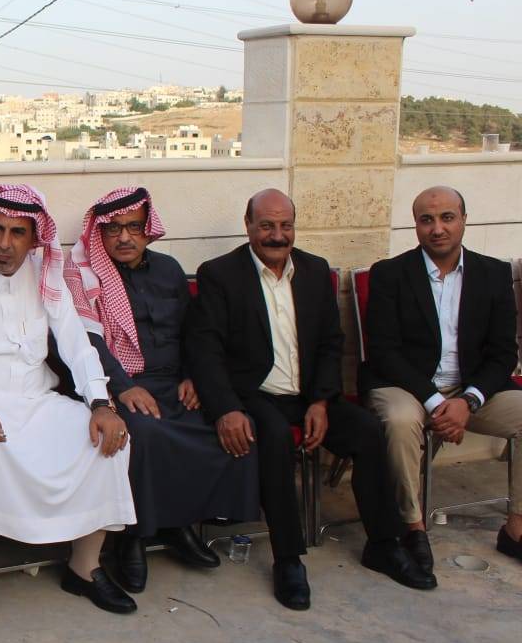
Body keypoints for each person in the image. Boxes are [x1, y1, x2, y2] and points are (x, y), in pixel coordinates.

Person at [185, 188, 437, 610]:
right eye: (267, 225)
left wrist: (321, 401)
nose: (277, 235)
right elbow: (205, 349)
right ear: (248, 226)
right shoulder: (220, 274)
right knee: (274, 437)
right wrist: (226, 408)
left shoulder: (315, 271)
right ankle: (288, 559)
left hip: (307, 395)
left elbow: (330, 344)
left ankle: (383, 543)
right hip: (254, 394)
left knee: (367, 431)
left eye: (286, 225)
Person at [0, 183, 137, 616]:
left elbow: (77, 343)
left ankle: (84, 566)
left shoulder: (45, 275)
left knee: (110, 439)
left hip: (37, 399)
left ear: (34, 238)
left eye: (17, 233)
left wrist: (100, 404)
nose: (4, 244)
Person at [67, 186, 259, 593]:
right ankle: (133, 538)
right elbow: (85, 342)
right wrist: (123, 387)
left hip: (174, 382)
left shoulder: (169, 270)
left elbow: (195, 333)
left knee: (221, 424)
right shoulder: (84, 276)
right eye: (114, 229)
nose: (124, 237)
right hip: (117, 385)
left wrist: (193, 376)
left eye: (134, 226)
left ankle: (178, 525)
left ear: (147, 228)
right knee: (145, 433)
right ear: (99, 233)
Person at [364, 186, 522, 568]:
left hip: (470, 388)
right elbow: (384, 352)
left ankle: (516, 529)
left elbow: (504, 352)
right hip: (405, 385)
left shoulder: (494, 274)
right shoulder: (389, 274)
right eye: (427, 220)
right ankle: (412, 528)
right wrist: (437, 403)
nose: (437, 228)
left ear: (464, 220)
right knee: (400, 421)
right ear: (416, 225)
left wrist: (468, 401)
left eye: (447, 217)